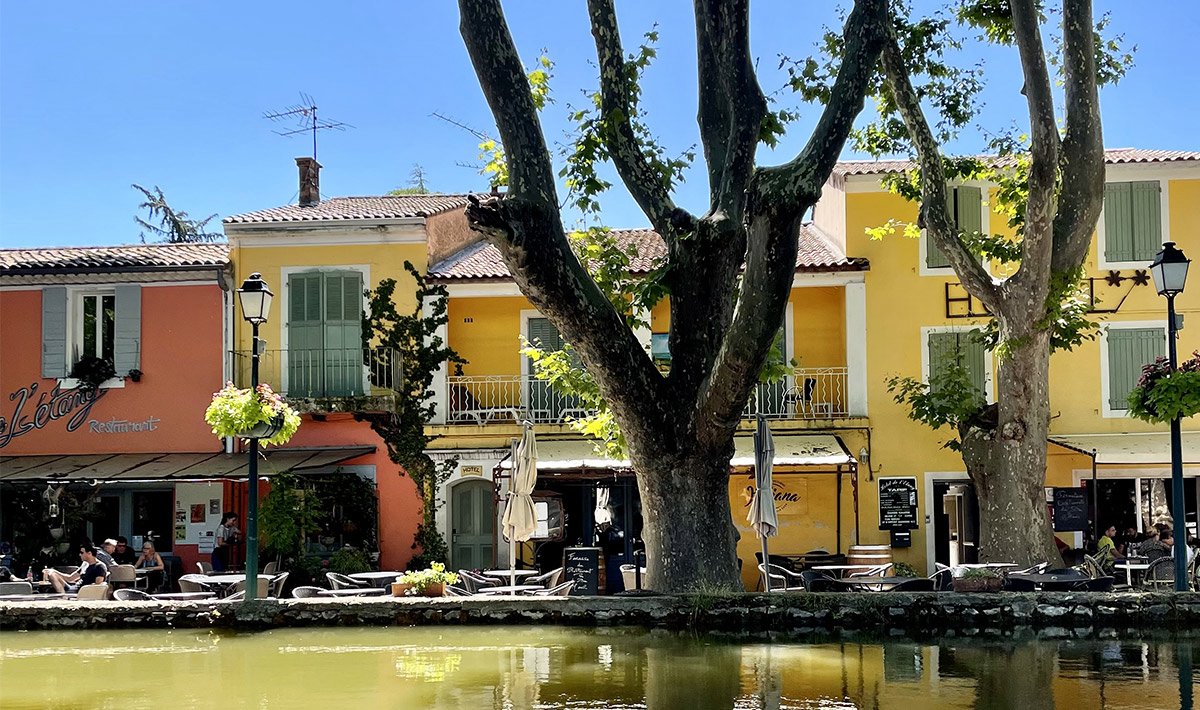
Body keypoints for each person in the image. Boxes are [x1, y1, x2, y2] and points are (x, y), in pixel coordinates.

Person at [42, 543, 107, 594]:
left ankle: (63, 597)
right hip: (74, 588)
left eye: (82, 553)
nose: (80, 555)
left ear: (89, 553)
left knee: (51, 576)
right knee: (52, 574)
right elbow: (70, 578)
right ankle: (63, 595)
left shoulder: (99, 566)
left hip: (82, 592)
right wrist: (54, 571)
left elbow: (97, 586)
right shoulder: (85, 564)